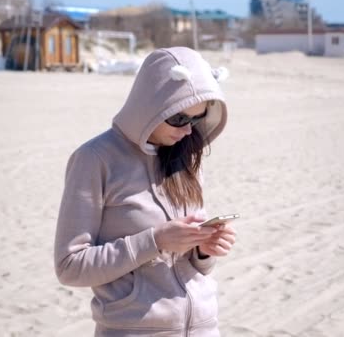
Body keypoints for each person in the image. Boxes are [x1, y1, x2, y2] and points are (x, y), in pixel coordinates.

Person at [54, 47, 237, 336]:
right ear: (150, 105)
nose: (188, 131)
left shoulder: (187, 156)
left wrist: (204, 250)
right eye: (178, 119)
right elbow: (70, 266)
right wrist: (156, 240)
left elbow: (194, 268)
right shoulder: (95, 159)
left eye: (196, 119)